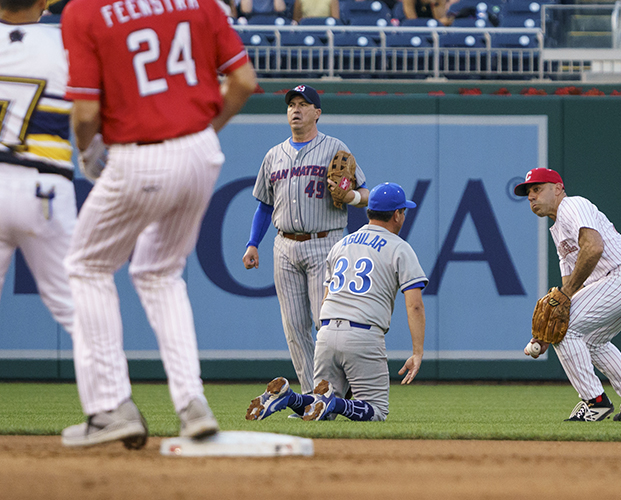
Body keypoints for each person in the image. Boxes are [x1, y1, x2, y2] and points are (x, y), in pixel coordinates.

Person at [59, 0, 257, 448]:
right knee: (160, 272)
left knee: (87, 267)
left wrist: (87, 151)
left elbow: (87, 113)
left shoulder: (85, 11)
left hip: (139, 154)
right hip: (201, 150)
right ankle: (192, 404)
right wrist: (204, 131)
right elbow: (244, 81)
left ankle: (110, 406)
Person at [246, 182, 426, 422]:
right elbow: (414, 305)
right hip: (363, 334)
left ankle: (290, 399)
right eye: (403, 211)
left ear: (369, 211)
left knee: (320, 410)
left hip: (327, 330)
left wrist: (328, 337)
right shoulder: (400, 248)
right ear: (397, 215)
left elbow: (326, 296)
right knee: (377, 412)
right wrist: (417, 352)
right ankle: (334, 402)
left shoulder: (341, 244)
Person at [243, 84, 369, 401]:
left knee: (324, 322)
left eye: (303, 104)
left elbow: (365, 194)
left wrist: (350, 195)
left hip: (324, 243)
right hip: (283, 245)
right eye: (291, 105)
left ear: (317, 113)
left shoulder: (335, 148)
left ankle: (342, 387)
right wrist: (252, 243)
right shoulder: (273, 155)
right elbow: (264, 206)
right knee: (295, 327)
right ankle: (316, 397)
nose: (296, 109)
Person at [515, 168, 621, 422]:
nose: (531, 197)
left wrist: (563, 305)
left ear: (558, 188)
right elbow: (570, 289)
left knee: (567, 328)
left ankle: (595, 402)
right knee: (591, 339)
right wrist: (546, 332)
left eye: (537, 189)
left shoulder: (573, 205)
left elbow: (593, 248)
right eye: (528, 193)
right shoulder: (558, 231)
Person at [0, 0, 74, 336]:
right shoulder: (63, 46)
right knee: (80, 309)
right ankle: (113, 392)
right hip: (43, 184)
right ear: (44, 3)